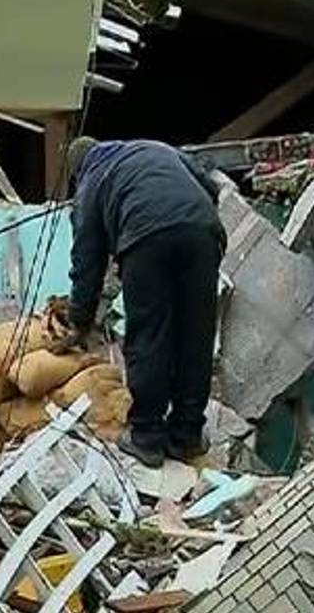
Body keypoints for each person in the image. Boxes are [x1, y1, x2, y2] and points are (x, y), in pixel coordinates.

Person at [52, 137, 226, 468]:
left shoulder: (92, 179)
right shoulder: (157, 149)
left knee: (149, 335)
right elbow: (210, 186)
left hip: (147, 239)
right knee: (196, 336)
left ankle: (146, 436)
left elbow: (87, 258)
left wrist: (80, 319)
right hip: (202, 232)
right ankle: (187, 435)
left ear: (78, 169)